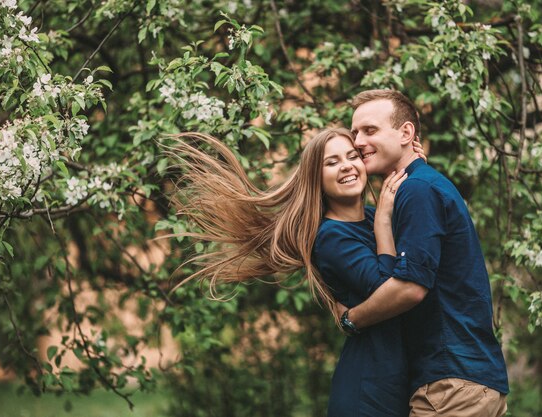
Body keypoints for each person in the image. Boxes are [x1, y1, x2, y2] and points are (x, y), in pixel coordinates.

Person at [169, 128, 425, 416]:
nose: (346, 166)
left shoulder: (370, 216)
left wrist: (411, 164)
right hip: (369, 387)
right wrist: (382, 223)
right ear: (316, 177)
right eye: (331, 162)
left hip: (397, 376)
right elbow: (387, 288)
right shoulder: (331, 236)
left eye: (352, 156)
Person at [340, 89, 509, 417]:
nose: (357, 141)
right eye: (355, 132)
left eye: (370, 130)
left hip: (450, 388)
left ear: (406, 133)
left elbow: (409, 288)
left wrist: (350, 319)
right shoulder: (419, 186)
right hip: (462, 382)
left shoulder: (418, 190)